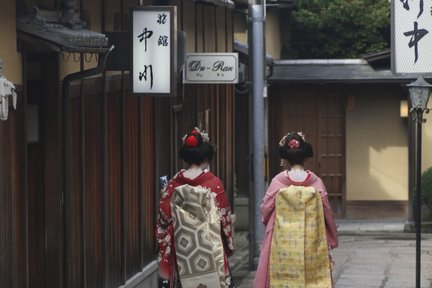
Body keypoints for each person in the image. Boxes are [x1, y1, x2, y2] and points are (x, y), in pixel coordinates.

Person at [254, 132, 338, 288]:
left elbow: (266, 209)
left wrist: (268, 222)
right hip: (312, 237)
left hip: (281, 236)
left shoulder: (278, 181)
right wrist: (332, 237)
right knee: (314, 278)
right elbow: (327, 212)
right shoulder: (315, 182)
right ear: (305, 156)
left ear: (285, 158)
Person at [156, 128, 235, 288]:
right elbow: (224, 220)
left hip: (180, 250)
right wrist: (229, 243)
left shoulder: (173, 183)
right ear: (206, 157)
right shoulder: (214, 184)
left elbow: (164, 217)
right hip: (209, 250)